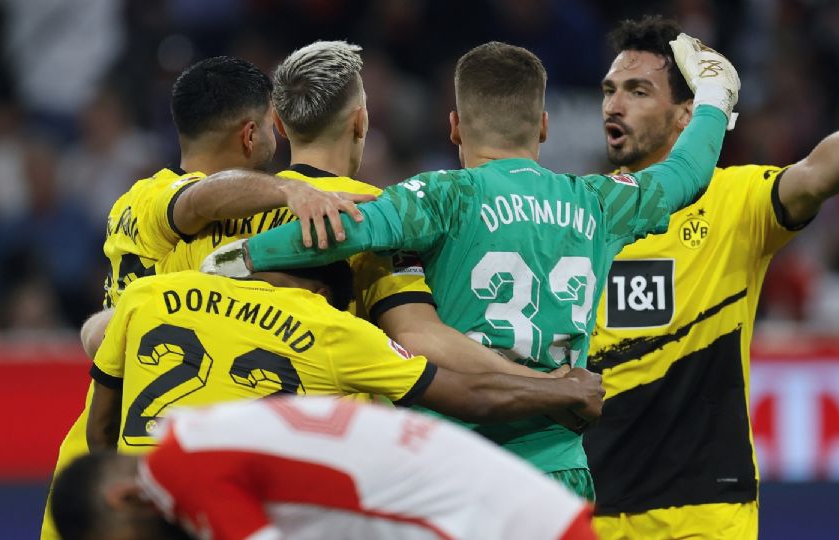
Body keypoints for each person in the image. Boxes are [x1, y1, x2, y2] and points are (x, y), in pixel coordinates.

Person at [202, 37, 740, 498]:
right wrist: (715, 93)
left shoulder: (442, 196)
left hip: (451, 455)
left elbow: (347, 229)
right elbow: (687, 173)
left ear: (455, 126)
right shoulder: (600, 204)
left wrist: (244, 256)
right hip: (557, 466)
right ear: (544, 126)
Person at [581, 16, 839, 540]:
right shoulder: (582, 212)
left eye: (637, 90)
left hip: (705, 509)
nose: (614, 105)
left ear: (686, 116)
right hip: (594, 507)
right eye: (610, 91)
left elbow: (813, 176)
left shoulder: (732, 201)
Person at [42, 55, 368, 540]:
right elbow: (198, 200)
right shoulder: (167, 200)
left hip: (111, 456)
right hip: (146, 474)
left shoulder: (134, 203)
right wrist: (292, 191)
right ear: (250, 135)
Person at [160, 41, 549, 381]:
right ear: (361, 122)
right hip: (332, 433)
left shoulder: (224, 212)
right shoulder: (378, 214)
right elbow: (419, 337)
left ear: (278, 124)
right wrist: (539, 383)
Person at [85, 265, 604, 454]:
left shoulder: (152, 294)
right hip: (228, 506)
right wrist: (565, 388)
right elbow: (471, 395)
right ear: (321, 288)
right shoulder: (334, 326)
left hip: (140, 503)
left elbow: (100, 429)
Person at [57, 396, 598, 540]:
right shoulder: (204, 434)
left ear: (122, 500)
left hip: (498, 526)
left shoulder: (177, 470)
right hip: (505, 509)